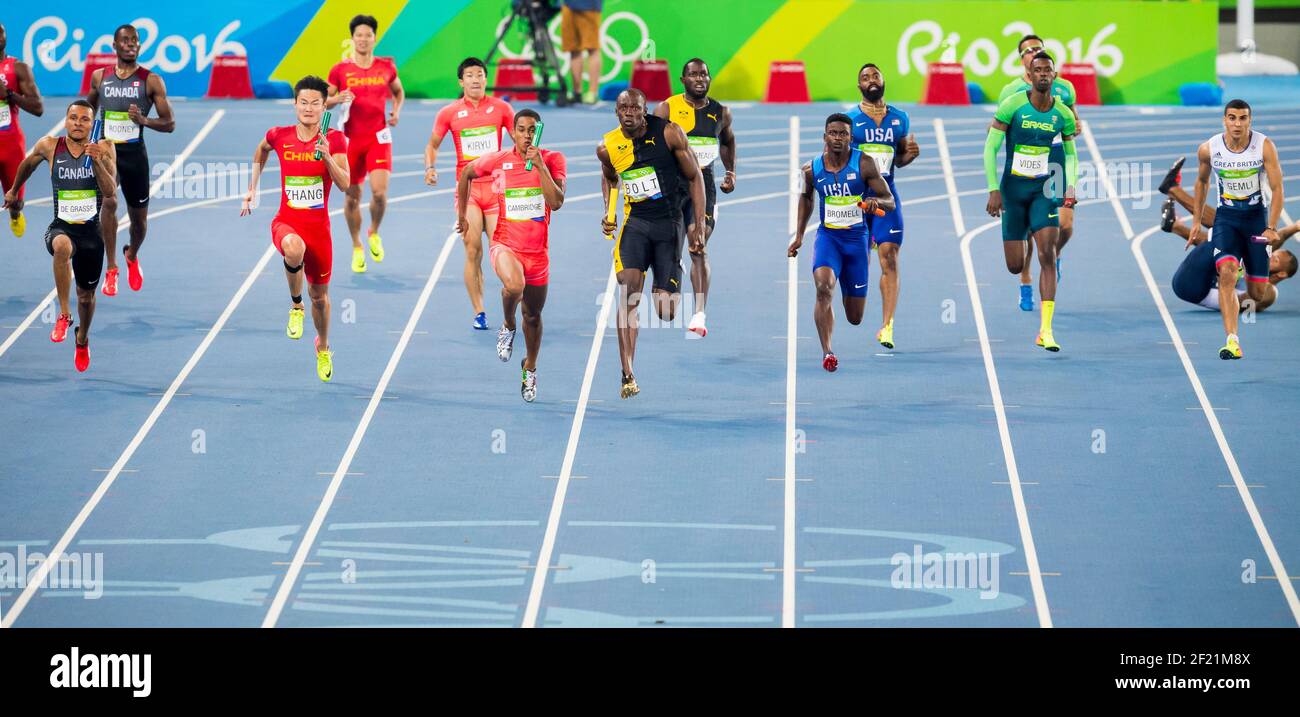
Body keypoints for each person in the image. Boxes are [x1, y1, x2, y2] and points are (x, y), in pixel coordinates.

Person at [240, 76, 350, 382]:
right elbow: (261, 151)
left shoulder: (336, 140)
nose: (309, 108)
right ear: (295, 104)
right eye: (304, 102)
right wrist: (252, 188)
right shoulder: (279, 135)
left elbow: (345, 184)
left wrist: (326, 155)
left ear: (324, 105)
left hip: (320, 230)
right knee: (293, 248)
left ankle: (323, 346)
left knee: (321, 298)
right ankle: (295, 306)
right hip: (287, 221)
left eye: (316, 103)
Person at [598, 89, 705, 398]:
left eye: (635, 107)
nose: (629, 112)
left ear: (645, 111)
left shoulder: (669, 133)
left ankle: (672, 269)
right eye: (623, 107)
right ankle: (627, 372)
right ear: (616, 112)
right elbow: (610, 178)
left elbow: (695, 177)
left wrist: (696, 224)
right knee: (628, 288)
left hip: (670, 225)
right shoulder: (607, 147)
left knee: (667, 311)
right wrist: (608, 210)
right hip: (637, 224)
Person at [457, 109, 566, 402]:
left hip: (537, 253)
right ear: (513, 132)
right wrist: (462, 215)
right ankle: (507, 324)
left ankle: (529, 367)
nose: (526, 135)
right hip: (504, 243)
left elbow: (556, 203)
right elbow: (467, 173)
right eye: (521, 129)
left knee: (533, 315)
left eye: (532, 130)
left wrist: (540, 166)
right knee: (514, 286)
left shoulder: (553, 159)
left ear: (538, 132)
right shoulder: (498, 160)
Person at [2, 100, 115, 371]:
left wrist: (97, 161)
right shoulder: (50, 146)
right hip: (62, 226)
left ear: (91, 123)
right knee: (61, 247)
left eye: (84, 119)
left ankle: (82, 338)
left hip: (91, 233)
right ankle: (63, 314)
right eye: (73, 118)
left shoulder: (106, 147)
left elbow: (110, 191)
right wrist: (14, 190)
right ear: (66, 121)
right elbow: (27, 164)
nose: (78, 123)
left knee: (86, 298)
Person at [983, 52, 1078, 352]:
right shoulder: (1013, 105)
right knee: (1014, 265)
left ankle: (1046, 330)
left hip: (1044, 190)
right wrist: (992, 189)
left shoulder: (1062, 113)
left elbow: (1071, 155)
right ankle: (1024, 232)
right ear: (1030, 73)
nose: (1042, 75)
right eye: (1037, 70)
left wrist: (1069, 186)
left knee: (1047, 253)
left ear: (1053, 74)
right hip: (1013, 190)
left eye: (1047, 70)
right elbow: (991, 147)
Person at [787, 113, 895, 372]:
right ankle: (827, 351)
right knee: (823, 288)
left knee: (855, 317)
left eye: (843, 134)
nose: (838, 138)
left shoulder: (864, 164)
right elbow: (806, 198)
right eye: (833, 133)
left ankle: (848, 291)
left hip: (856, 241)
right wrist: (800, 235)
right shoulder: (811, 169)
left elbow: (889, 200)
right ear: (824, 137)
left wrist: (874, 203)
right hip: (829, 238)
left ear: (850, 137)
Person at [1187, 99, 1287, 360]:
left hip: (1255, 219)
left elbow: (1277, 189)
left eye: (1243, 119)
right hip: (1226, 219)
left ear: (1250, 121)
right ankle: (1232, 340)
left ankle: (1243, 264)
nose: (1237, 124)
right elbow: (1201, 181)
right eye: (1232, 118)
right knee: (1227, 273)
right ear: (1224, 120)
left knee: (1257, 293)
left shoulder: (1264, 147)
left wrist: (1272, 227)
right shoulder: (1209, 149)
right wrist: (1197, 221)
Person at [86, 24, 175, 296]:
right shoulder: (100, 77)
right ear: (114, 45)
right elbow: (87, 110)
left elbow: (169, 123)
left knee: (139, 224)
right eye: (125, 40)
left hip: (134, 155)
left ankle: (131, 254)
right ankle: (111, 269)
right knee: (109, 203)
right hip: (107, 152)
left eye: (135, 40)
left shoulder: (151, 80)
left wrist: (143, 120)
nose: (131, 44)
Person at [427, 58, 515, 330]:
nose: (475, 79)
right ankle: (479, 311)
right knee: (472, 248)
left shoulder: (501, 108)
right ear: (461, 81)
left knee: (501, 252)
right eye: (470, 75)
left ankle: (510, 301)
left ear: (486, 79)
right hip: (469, 192)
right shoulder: (449, 113)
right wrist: (430, 167)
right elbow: (432, 145)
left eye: (480, 74)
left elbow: (520, 141)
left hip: (497, 189)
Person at [653, 57, 736, 337]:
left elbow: (728, 140)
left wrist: (731, 172)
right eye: (694, 75)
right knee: (672, 243)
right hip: (671, 188)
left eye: (704, 74)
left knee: (698, 246)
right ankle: (669, 271)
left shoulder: (721, 112)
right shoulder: (667, 108)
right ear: (683, 80)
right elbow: (649, 143)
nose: (700, 79)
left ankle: (700, 313)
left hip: (704, 187)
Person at [997, 35, 1080, 311]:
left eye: (1038, 48)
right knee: (1032, 231)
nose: (1034, 52)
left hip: (1056, 160)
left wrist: (1074, 125)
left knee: (1065, 226)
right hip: (1025, 166)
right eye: (1028, 50)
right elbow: (997, 128)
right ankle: (1025, 281)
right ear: (1022, 60)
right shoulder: (1010, 92)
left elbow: (1074, 120)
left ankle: (1053, 255)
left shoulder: (1065, 89)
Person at [846, 63, 918, 349]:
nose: (871, 80)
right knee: (858, 263)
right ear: (859, 87)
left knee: (889, 257)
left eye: (875, 75)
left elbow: (898, 160)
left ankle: (887, 326)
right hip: (858, 201)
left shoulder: (900, 119)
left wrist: (909, 156)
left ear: (883, 80)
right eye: (865, 77)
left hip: (887, 198)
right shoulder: (850, 121)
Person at [327, 14, 405, 275]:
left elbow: (398, 92)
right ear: (352, 38)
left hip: (378, 137)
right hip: (350, 140)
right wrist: (338, 98)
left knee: (380, 194)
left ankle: (373, 231)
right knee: (352, 197)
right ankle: (357, 245)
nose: (363, 39)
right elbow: (323, 101)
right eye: (358, 35)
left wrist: (395, 111)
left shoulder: (385, 67)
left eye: (368, 35)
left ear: (374, 38)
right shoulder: (340, 70)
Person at [1161, 194, 1296, 313]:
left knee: (1228, 230)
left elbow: (1236, 302)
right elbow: (1277, 238)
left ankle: (1174, 192)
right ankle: (1174, 225)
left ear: (1282, 273)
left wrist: (1230, 277)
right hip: (1204, 279)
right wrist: (1295, 227)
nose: (1271, 256)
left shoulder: (1269, 291)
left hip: (1194, 289)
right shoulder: (1257, 268)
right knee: (1231, 234)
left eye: (1276, 259)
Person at [0, 23, 45, 238]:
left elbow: (38, 108)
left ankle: (15, 214)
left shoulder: (18, 68)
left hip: (10, 144)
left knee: (15, 200)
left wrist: (8, 94)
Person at [561, 0, 602, 105]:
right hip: (568, 5)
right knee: (573, 49)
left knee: (592, 48)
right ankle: (577, 92)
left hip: (589, 6)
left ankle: (593, 92)